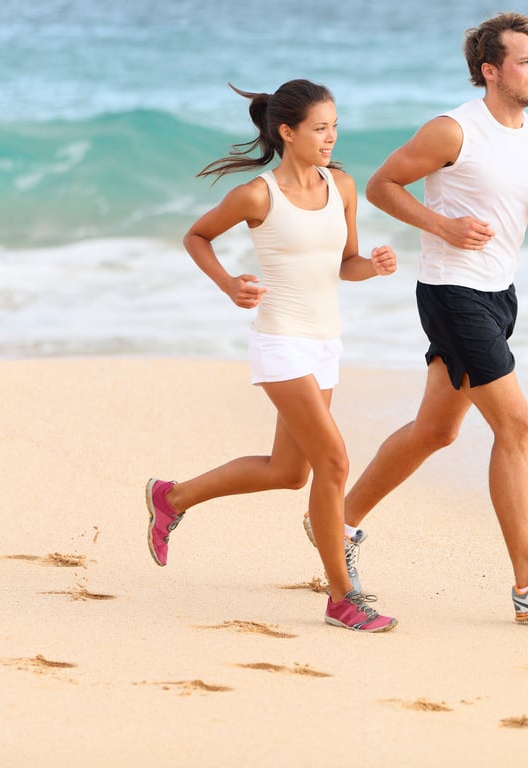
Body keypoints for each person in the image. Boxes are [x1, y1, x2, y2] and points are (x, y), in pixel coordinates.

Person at [303, 12, 528, 623]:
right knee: (517, 427)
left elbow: (499, 203)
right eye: (524, 61)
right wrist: (442, 226)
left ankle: (336, 524)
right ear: (490, 71)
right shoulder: (452, 130)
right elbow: (384, 185)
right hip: (453, 292)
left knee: (436, 430)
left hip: (498, 292)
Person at [145, 79, 399, 633]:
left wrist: (374, 266)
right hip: (281, 340)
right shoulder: (258, 195)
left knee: (289, 471)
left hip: (324, 341)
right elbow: (197, 236)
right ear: (287, 132)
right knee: (334, 462)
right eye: (320, 128)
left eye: (334, 126)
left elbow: (346, 263)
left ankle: (172, 496)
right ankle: (341, 598)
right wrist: (228, 284)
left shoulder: (343, 186)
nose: (331, 138)